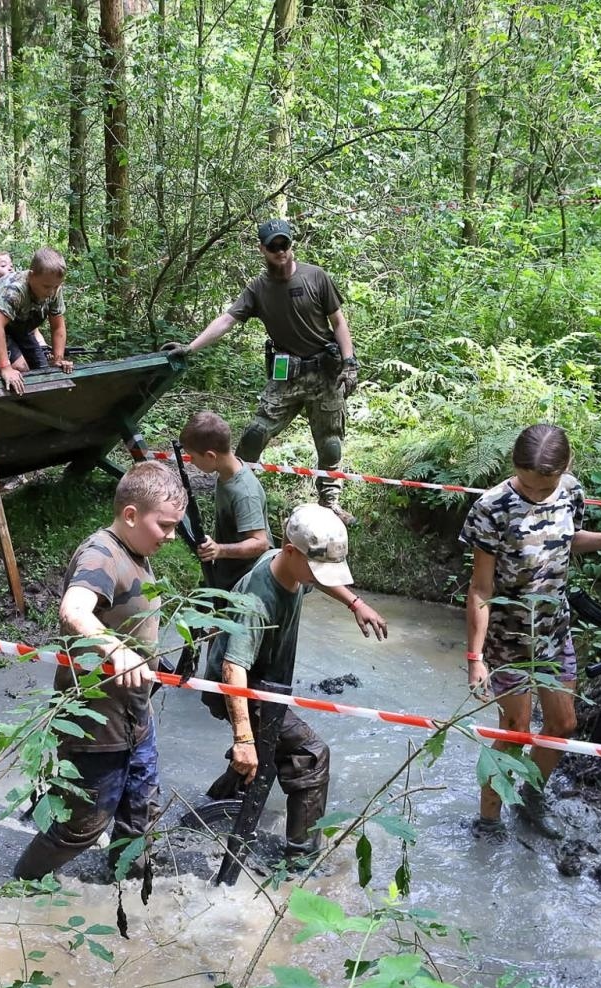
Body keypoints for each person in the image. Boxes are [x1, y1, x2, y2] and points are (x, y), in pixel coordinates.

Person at [460, 424, 601, 841]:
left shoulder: (571, 491)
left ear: (565, 468)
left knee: (563, 724)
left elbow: (567, 539)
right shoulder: (492, 507)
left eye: (546, 484)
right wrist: (474, 657)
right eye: (529, 484)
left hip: (553, 630)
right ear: (515, 467)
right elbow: (480, 588)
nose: (538, 492)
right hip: (508, 638)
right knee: (515, 730)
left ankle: (531, 797)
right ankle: (488, 820)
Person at [11, 461, 188, 882]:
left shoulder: (137, 551)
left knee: (140, 807)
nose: (171, 536)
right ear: (130, 515)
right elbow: (74, 610)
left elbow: (131, 619)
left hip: (134, 716)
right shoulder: (102, 554)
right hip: (94, 722)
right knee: (83, 826)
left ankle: (128, 889)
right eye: (164, 525)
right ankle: (20, 886)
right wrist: (117, 649)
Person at [201, 504, 385, 865]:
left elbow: (318, 579)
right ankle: (300, 862)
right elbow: (232, 669)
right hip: (240, 688)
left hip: (266, 685)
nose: (321, 575)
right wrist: (243, 739)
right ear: (290, 551)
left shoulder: (289, 565)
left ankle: (213, 803)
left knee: (266, 755)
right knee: (310, 755)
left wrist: (355, 602)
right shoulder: (258, 600)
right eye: (318, 568)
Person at [168, 220, 359, 526]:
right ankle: (237, 489)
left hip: (324, 373)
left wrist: (349, 362)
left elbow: (338, 322)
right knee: (255, 434)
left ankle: (330, 503)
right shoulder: (258, 289)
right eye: (273, 246)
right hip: (287, 376)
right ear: (263, 249)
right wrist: (190, 348)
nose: (280, 251)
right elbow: (227, 320)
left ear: (291, 245)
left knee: (330, 443)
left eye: (285, 244)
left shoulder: (316, 277)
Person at [178, 410, 389, 636]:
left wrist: (219, 550)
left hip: (250, 592)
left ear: (211, 456)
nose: (192, 462)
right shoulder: (228, 474)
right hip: (231, 584)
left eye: (193, 457)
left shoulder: (243, 492)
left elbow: (260, 543)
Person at [0, 247, 72, 396]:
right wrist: (5, 367)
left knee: (43, 370)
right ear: (32, 275)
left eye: (56, 286)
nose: (51, 292)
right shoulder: (15, 290)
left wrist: (58, 358)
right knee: (20, 369)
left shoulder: (54, 290)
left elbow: (58, 326)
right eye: (46, 286)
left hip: (19, 325)